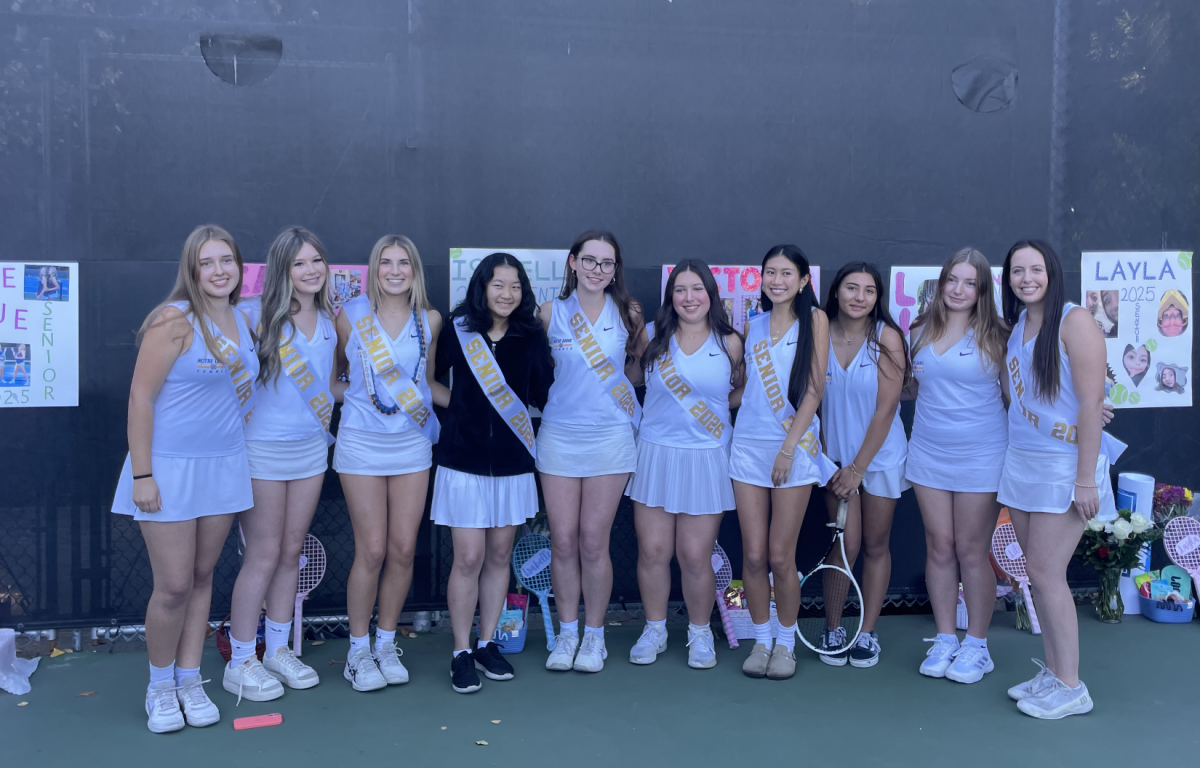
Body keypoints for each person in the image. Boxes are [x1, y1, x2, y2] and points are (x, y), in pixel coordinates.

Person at [112, 225, 257, 733]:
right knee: (172, 585)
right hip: (168, 469)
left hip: (224, 467)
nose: (218, 271)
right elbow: (140, 399)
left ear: (239, 267)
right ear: (191, 270)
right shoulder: (173, 321)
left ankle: (190, 680)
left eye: (227, 260)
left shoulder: (243, 319)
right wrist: (143, 473)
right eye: (207, 262)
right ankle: (159, 686)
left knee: (200, 578)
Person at [998, 239, 1122, 720]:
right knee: (1035, 573)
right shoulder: (1018, 329)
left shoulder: (1075, 321)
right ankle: (1053, 672)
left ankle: (1072, 686)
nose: (1026, 278)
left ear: (1052, 272)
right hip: (1024, 463)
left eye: (1035, 269)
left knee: (1048, 574)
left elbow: (1091, 403)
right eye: (1016, 271)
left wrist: (1085, 481)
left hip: (1065, 469)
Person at [222, 227, 344, 702]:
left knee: (292, 550)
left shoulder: (331, 321)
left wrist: (371, 396)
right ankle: (240, 659)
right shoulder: (251, 315)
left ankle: (276, 649)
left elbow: (329, 386)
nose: (311, 270)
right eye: (299, 263)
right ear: (281, 269)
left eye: (316, 260)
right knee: (263, 553)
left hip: (311, 448)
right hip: (262, 450)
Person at [434, 253, 554, 694]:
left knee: (500, 557)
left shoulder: (530, 335)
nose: (507, 294)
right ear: (482, 287)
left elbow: (542, 392)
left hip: (512, 463)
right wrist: (462, 409)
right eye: (498, 284)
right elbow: (427, 380)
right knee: (468, 557)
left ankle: (487, 643)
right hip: (462, 460)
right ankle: (461, 652)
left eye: (515, 286)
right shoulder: (458, 328)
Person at [333, 235, 446, 692]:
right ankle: (357, 651)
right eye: (386, 262)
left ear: (415, 270)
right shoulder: (350, 315)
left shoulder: (430, 320)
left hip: (412, 445)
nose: (395, 270)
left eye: (404, 263)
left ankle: (384, 643)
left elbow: (430, 383)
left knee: (402, 548)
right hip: (361, 442)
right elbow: (333, 383)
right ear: (373, 269)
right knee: (373, 549)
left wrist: (474, 409)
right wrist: (361, 399)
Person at [627, 259, 745, 670]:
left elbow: (741, 391)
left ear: (711, 294)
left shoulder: (730, 341)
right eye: (680, 290)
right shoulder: (653, 337)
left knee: (695, 555)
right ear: (670, 296)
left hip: (706, 458)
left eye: (697, 289)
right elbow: (631, 379)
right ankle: (655, 629)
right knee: (654, 550)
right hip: (656, 453)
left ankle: (700, 632)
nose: (689, 297)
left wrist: (710, 414)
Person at [538, 231, 646, 674]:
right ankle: (567, 634)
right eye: (590, 260)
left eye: (607, 263)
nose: (598, 269)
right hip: (560, 436)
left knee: (591, 540)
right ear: (572, 262)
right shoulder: (548, 313)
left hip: (610, 438)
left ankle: (595, 636)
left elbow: (636, 367)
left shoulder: (629, 313)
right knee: (562, 541)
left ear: (615, 269)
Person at [904, 248, 1009, 684]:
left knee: (970, 550)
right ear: (941, 283)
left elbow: (1020, 397)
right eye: (953, 280)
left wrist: (1087, 409)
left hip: (982, 455)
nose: (959, 289)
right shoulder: (919, 328)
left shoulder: (1000, 335)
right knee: (939, 547)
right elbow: (909, 388)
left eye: (970, 282)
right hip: (927, 452)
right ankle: (946, 638)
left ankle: (977, 646)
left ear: (982, 289)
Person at [730, 245, 834, 680]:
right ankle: (760, 641)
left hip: (792, 449)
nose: (777, 280)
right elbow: (744, 392)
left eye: (786, 273)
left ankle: (786, 645)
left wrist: (789, 448)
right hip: (748, 448)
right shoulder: (750, 327)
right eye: (770, 273)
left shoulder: (815, 321)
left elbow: (814, 390)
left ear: (804, 280)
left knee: (779, 555)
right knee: (752, 556)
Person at [821, 262, 910, 668]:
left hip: (879, 459)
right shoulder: (817, 334)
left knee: (875, 545)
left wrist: (858, 468)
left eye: (869, 290)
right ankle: (833, 628)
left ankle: (867, 633)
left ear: (878, 298)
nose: (859, 297)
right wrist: (837, 464)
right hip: (834, 462)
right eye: (851, 288)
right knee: (844, 545)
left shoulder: (887, 337)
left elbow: (887, 409)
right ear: (836, 291)